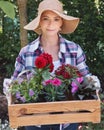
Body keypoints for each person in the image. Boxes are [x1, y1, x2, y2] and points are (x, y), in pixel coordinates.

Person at [3, 0, 101, 130]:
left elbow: (86, 80)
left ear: (61, 23)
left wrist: (93, 85)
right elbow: (16, 84)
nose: (51, 24)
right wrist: (11, 88)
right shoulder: (27, 52)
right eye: (45, 19)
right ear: (39, 23)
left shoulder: (74, 49)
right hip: (34, 121)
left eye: (56, 19)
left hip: (68, 120)